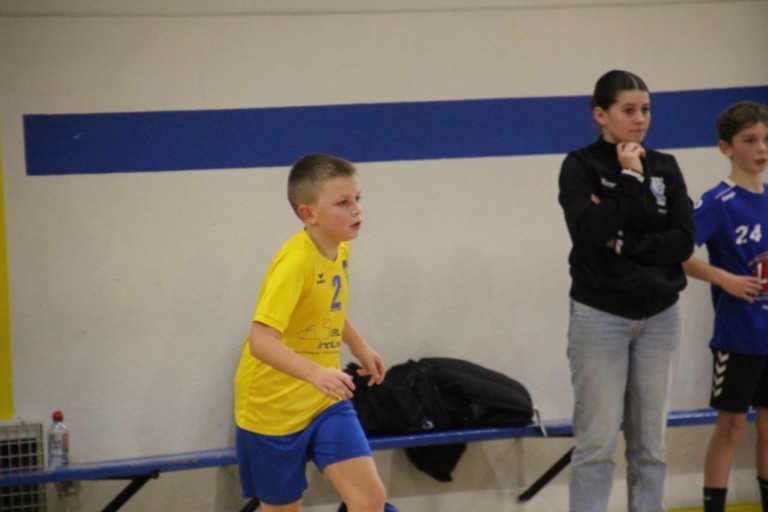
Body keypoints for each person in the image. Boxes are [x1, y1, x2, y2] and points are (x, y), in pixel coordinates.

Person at [558, 69, 694, 512]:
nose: (640, 119)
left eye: (646, 110)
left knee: (650, 445)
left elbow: (682, 241)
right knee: (596, 443)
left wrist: (626, 244)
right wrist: (630, 179)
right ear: (601, 114)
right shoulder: (581, 167)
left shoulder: (666, 166)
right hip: (600, 316)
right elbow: (590, 232)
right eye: (629, 110)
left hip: (660, 316)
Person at [233, 154, 396, 512]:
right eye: (343, 202)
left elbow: (326, 308)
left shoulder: (340, 248)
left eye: (357, 199)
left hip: (325, 400)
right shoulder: (295, 262)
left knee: (370, 501)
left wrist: (359, 346)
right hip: (271, 410)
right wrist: (314, 372)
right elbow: (260, 341)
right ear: (309, 214)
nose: (356, 210)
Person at [681, 101, 768, 512]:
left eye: (765, 139)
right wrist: (725, 279)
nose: (760, 148)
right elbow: (678, 254)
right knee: (731, 425)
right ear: (726, 147)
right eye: (749, 140)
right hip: (738, 335)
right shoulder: (718, 201)